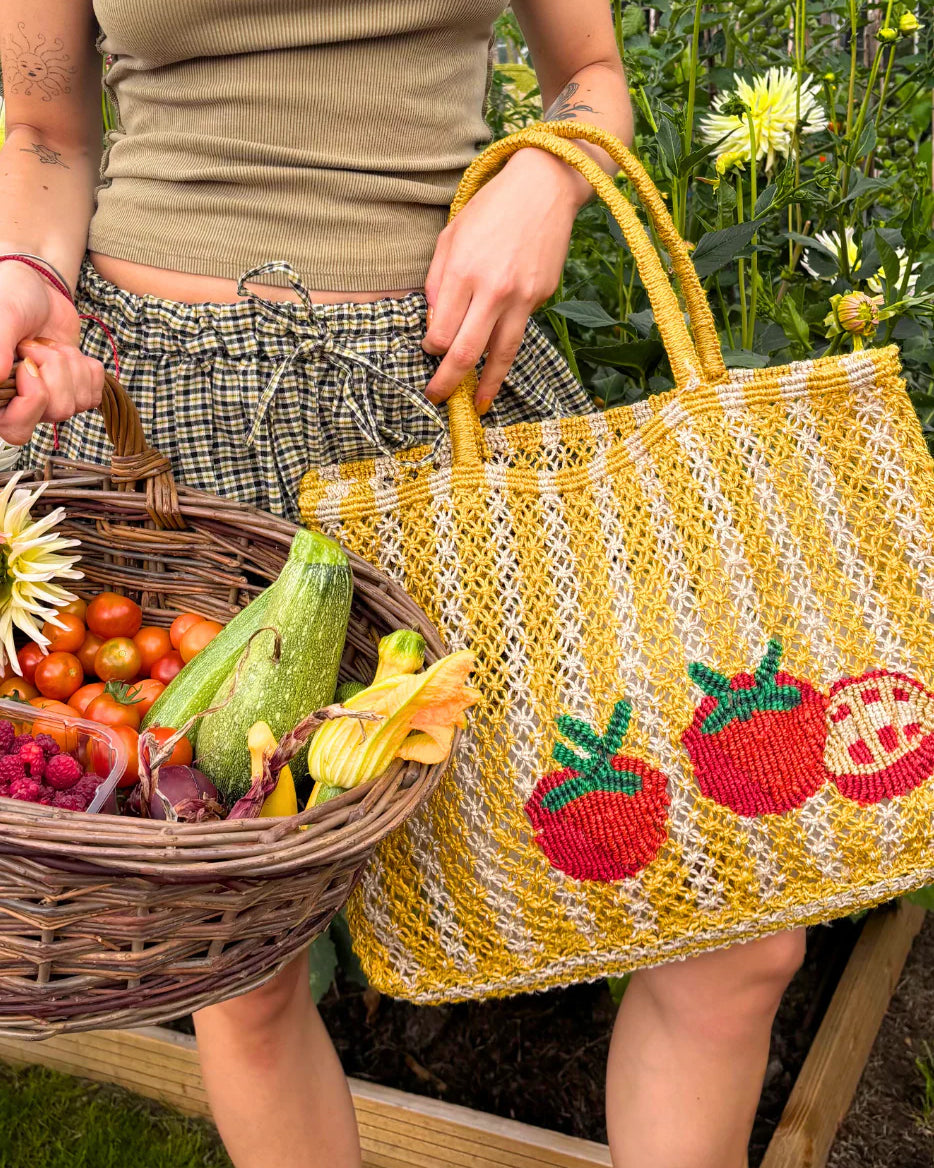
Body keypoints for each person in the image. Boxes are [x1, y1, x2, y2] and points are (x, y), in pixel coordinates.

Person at [0, 4, 804, 1167]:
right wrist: (23, 271)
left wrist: (546, 167)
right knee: (250, 975)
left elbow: (590, 74)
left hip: (456, 392)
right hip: (173, 429)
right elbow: (44, 131)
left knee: (732, 933)